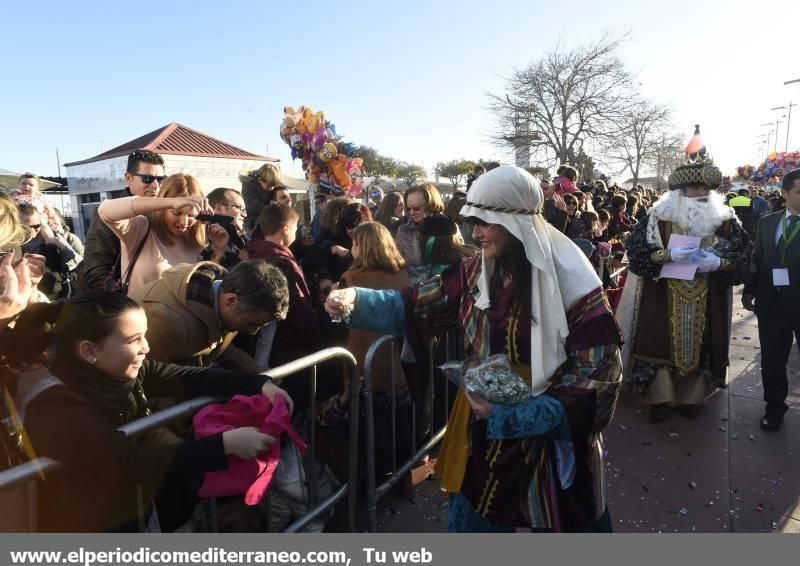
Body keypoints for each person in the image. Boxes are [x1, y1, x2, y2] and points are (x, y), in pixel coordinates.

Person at [326, 166, 622, 532]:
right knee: (478, 518)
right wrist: (356, 300)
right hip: (482, 430)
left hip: (547, 443)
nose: (475, 232)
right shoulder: (472, 272)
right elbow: (415, 301)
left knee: (563, 519)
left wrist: (525, 414)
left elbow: (601, 374)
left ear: (517, 223)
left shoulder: (573, 283)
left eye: (486, 222)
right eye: (473, 221)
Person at [2, 291, 292, 532]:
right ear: (90, 350)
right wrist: (225, 445)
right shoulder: (54, 407)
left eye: (145, 336)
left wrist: (258, 384)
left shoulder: (118, 371)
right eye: (134, 340)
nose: (147, 347)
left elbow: (185, 376)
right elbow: (126, 460)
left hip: (129, 512)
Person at [617, 126, 750, 423]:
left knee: (701, 347)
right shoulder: (658, 217)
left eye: (706, 189)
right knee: (660, 345)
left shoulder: (725, 220)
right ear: (679, 193)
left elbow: (742, 255)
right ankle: (660, 399)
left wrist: (718, 263)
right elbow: (637, 253)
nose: (701, 193)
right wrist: (666, 256)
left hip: (707, 296)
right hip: (663, 294)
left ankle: (691, 397)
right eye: (694, 188)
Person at [317, 221, 412, 483]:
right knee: (396, 429)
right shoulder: (403, 273)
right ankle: (401, 479)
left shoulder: (352, 278)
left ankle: (371, 484)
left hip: (362, 361)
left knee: (368, 432)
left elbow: (336, 328)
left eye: (355, 243)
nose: (352, 248)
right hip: (396, 365)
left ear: (364, 246)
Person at [129, 259, 289, 372]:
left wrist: (256, 372)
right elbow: (150, 376)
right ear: (231, 300)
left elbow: (215, 345)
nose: (253, 332)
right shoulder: (168, 321)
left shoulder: (225, 303)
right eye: (253, 324)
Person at [742, 168, 800, 431]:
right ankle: (774, 409)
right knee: (773, 360)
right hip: (771, 304)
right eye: (799, 191)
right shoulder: (767, 222)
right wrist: (749, 290)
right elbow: (758, 258)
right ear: (785, 193)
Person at [98, 173, 211, 294]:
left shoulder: (196, 239)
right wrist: (170, 202)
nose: (184, 222)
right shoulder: (141, 228)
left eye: (190, 215)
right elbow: (105, 210)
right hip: (140, 312)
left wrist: (219, 251)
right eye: (176, 213)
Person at [246, 204, 320, 376]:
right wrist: (315, 337)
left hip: (264, 343)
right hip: (285, 343)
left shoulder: (252, 251)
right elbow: (296, 307)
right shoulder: (280, 261)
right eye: (295, 229)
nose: (296, 233)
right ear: (286, 229)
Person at [78, 150, 165, 291]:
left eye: (160, 179)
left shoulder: (165, 212)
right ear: (128, 178)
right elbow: (96, 271)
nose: (156, 185)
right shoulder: (110, 213)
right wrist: (127, 302)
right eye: (148, 178)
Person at [18, 204, 81, 300]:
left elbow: (79, 264)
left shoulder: (53, 237)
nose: (36, 229)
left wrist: (56, 243)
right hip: (28, 296)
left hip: (58, 296)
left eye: (38, 225)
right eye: (27, 226)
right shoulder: (12, 244)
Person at [396, 183, 446, 266]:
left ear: (430, 205)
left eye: (416, 208)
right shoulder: (403, 230)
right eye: (408, 208)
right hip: (413, 278)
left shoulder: (448, 228)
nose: (412, 212)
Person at [201, 187, 248, 268]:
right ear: (218, 208)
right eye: (239, 208)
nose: (245, 215)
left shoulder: (237, 239)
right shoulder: (201, 241)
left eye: (245, 210)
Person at [241, 163, 281, 233]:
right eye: (269, 186)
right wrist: (270, 207)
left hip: (265, 218)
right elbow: (252, 206)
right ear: (259, 180)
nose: (271, 189)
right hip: (252, 221)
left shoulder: (269, 187)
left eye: (273, 186)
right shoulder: (249, 185)